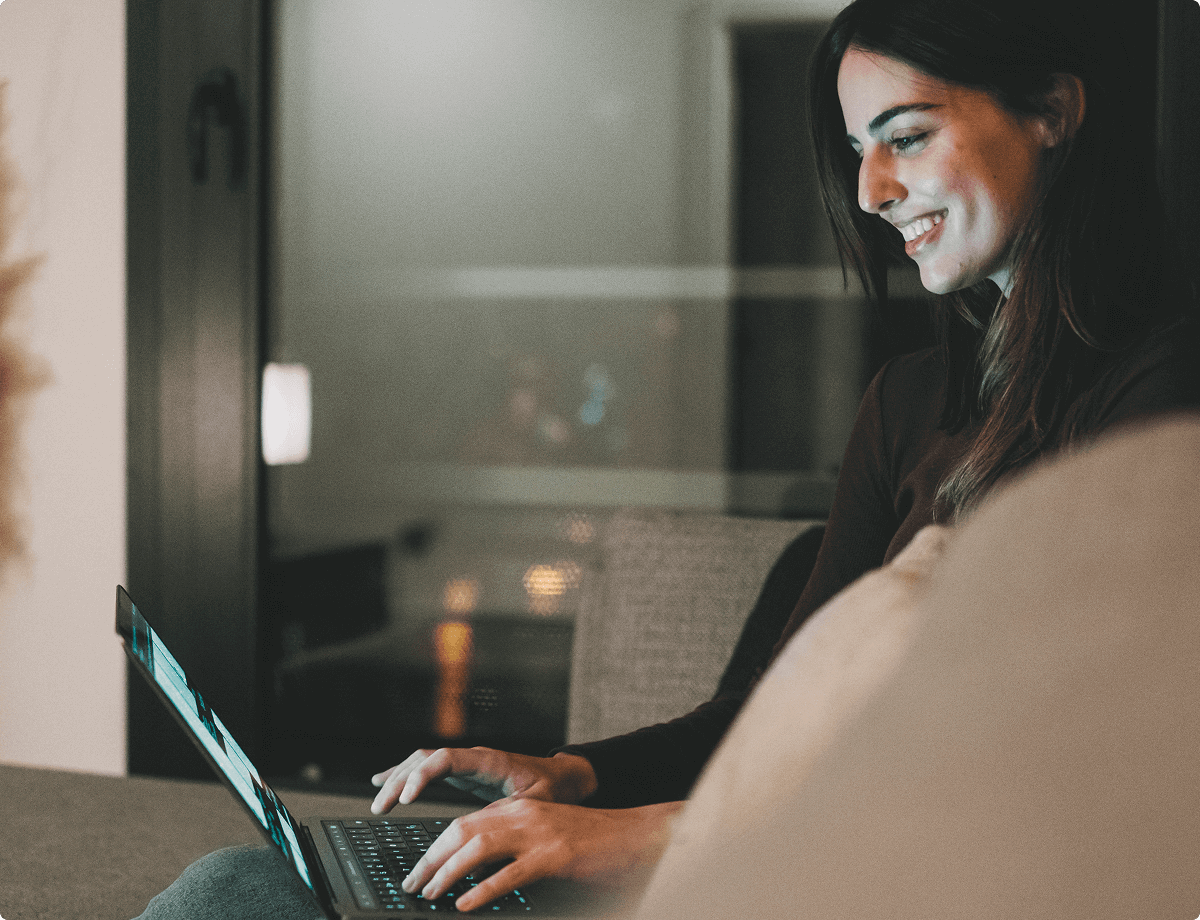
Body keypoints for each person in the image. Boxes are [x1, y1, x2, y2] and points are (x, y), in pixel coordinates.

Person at [135, 0, 1199, 915]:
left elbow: (1039, 774)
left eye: (906, 136)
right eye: (858, 149)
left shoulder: (1159, 405)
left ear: (1053, 112)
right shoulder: (911, 400)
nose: (871, 190)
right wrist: (568, 774)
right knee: (245, 882)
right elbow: (762, 717)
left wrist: (634, 839)